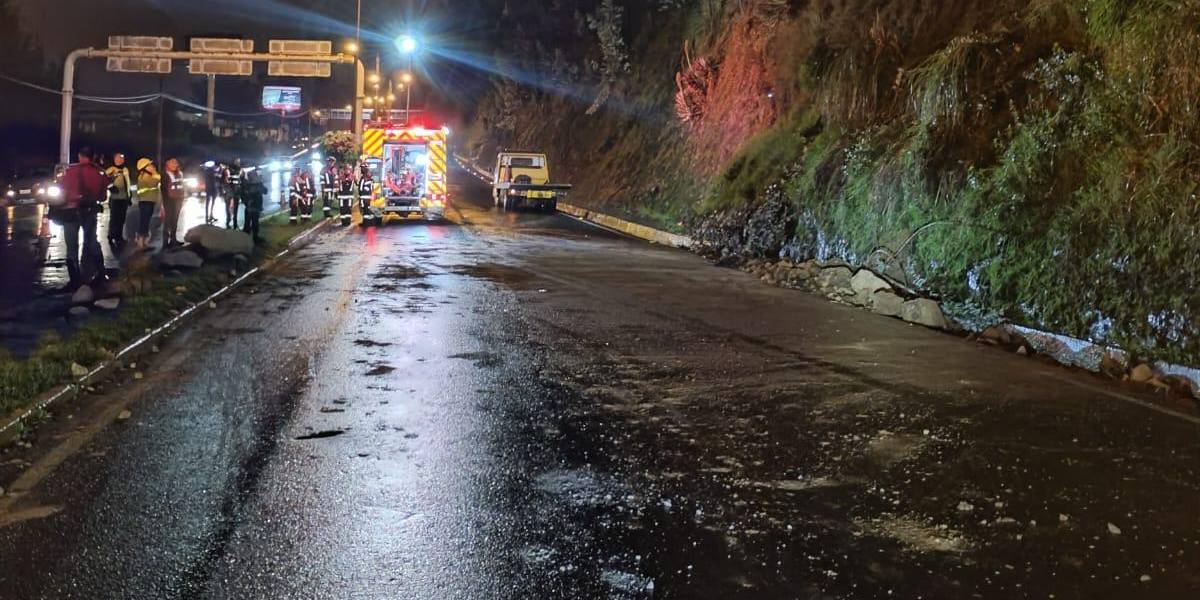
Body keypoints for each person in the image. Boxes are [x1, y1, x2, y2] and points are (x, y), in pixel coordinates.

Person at [59, 146, 108, 290]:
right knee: (92, 242)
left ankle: (74, 281)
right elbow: (103, 196)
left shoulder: (71, 172)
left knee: (72, 247)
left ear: (80, 156)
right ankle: (100, 273)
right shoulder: (100, 173)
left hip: (71, 211)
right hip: (90, 211)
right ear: (92, 157)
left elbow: (63, 192)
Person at [104, 152, 133, 253]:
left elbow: (128, 183)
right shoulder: (111, 169)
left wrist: (129, 196)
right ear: (114, 159)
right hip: (115, 198)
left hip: (124, 198)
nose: (120, 160)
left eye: (122, 158)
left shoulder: (125, 169)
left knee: (121, 218)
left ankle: (119, 236)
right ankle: (111, 236)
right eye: (118, 158)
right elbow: (104, 180)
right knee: (114, 219)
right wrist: (111, 188)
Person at [134, 158, 161, 250]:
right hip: (146, 202)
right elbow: (155, 182)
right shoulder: (146, 176)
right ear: (145, 168)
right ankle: (140, 242)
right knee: (144, 222)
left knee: (145, 221)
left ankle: (143, 242)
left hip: (148, 201)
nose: (152, 167)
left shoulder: (145, 175)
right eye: (150, 165)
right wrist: (156, 174)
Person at [160, 157, 185, 248]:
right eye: (172, 163)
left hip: (179, 199)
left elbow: (182, 186)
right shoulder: (165, 174)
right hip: (169, 200)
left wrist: (183, 197)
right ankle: (165, 242)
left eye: (176, 163)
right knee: (168, 221)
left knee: (175, 220)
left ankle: (173, 240)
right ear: (167, 164)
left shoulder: (180, 174)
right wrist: (163, 203)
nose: (175, 164)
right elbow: (163, 189)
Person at [241, 168, 267, 244]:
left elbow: (242, 195)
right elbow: (265, 191)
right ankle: (255, 239)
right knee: (255, 224)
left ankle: (244, 240)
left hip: (248, 208)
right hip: (255, 207)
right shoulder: (258, 185)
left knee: (247, 225)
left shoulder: (246, 185)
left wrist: (246, 202)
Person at [225, 158, 244, 229]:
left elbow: (224, 180)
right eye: (238, 162)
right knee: (235, 208)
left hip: (229, 192)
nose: (239, 163)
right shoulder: (240, 170)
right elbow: (242, 181)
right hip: (235, 192)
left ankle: (228, 222)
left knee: (228, 208)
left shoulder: (228, 169)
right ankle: (234, 224)